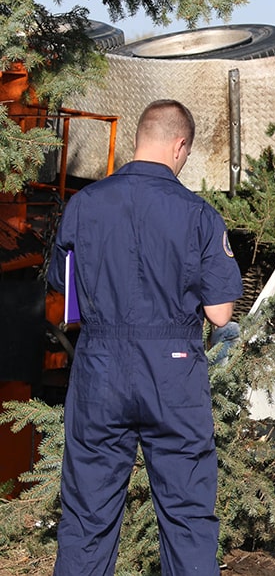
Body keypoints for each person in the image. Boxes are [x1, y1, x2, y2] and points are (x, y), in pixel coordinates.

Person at [47, 99, 243, 575]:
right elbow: (220, 313)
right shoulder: (198, 213)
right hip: (173, 372)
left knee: (87, 519)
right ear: (180, 145)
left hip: (100, 370)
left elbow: (62, 287)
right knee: (188, 518)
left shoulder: (84, 204)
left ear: (140, 138)